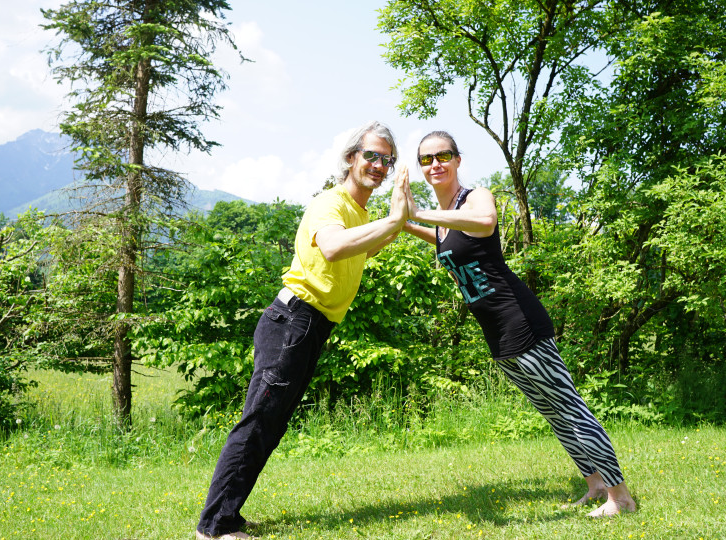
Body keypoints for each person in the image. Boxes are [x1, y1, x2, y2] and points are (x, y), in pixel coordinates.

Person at [401, 130, 637, 518]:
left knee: (571, 408)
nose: (435, 164)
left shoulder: (474, 198)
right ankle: (595, 485)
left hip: (521, 320)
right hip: (497, 332)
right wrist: (410, 225)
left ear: (458, 159)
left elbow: (485, 223)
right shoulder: (444, 222)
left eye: (442, 155)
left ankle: (621, 496)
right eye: (426, 159)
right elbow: (453, 245)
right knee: (553, 412)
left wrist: (419, 213)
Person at [196, 121, 410, 540]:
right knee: (258, 422)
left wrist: (398, 219)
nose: (379, 165)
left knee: (270, 426)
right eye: (371, 155)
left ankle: (229, 515)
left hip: (312, 327)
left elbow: (368, 243)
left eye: (388, 159)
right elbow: (332, 246)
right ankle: (214, 526)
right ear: (351, 158)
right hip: (292, 321)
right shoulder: (329, 203)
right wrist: (395, 219)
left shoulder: (361, 213)